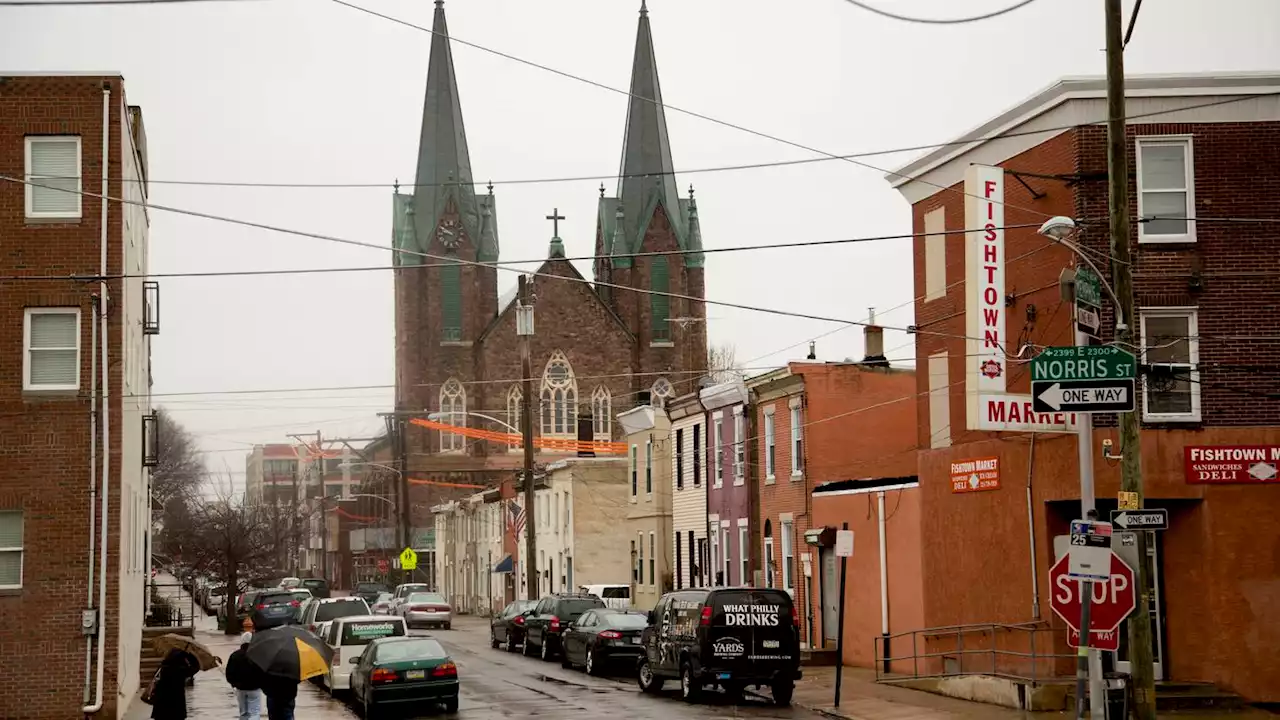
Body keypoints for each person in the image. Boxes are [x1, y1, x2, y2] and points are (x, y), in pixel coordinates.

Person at [149, 649, 199, 720]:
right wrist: (189, 655)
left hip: (160, 707)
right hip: (176, 707)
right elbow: (195, 668)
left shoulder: (162, 667)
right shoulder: (180, 670)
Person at [226, 632, 262, 720]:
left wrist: (234, 684)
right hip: (255, 688)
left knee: (243, 713)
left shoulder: (234, 655)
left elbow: (229, 673)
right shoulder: (258, 655)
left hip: (240, 689)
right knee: (255, 713)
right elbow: (262, 671)